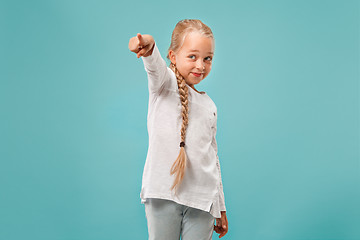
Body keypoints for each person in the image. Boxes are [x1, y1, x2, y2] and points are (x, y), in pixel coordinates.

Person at [128, 19, 228, 240]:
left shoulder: (209, 105)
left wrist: (220, 207)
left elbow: (213, 158)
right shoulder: (164, 85)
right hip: (164, 193)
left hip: (203, 202)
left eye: (207, 58)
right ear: (173, 56)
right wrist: (148, 47)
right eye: (192, 56)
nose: (200, 66)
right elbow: (153, 66)